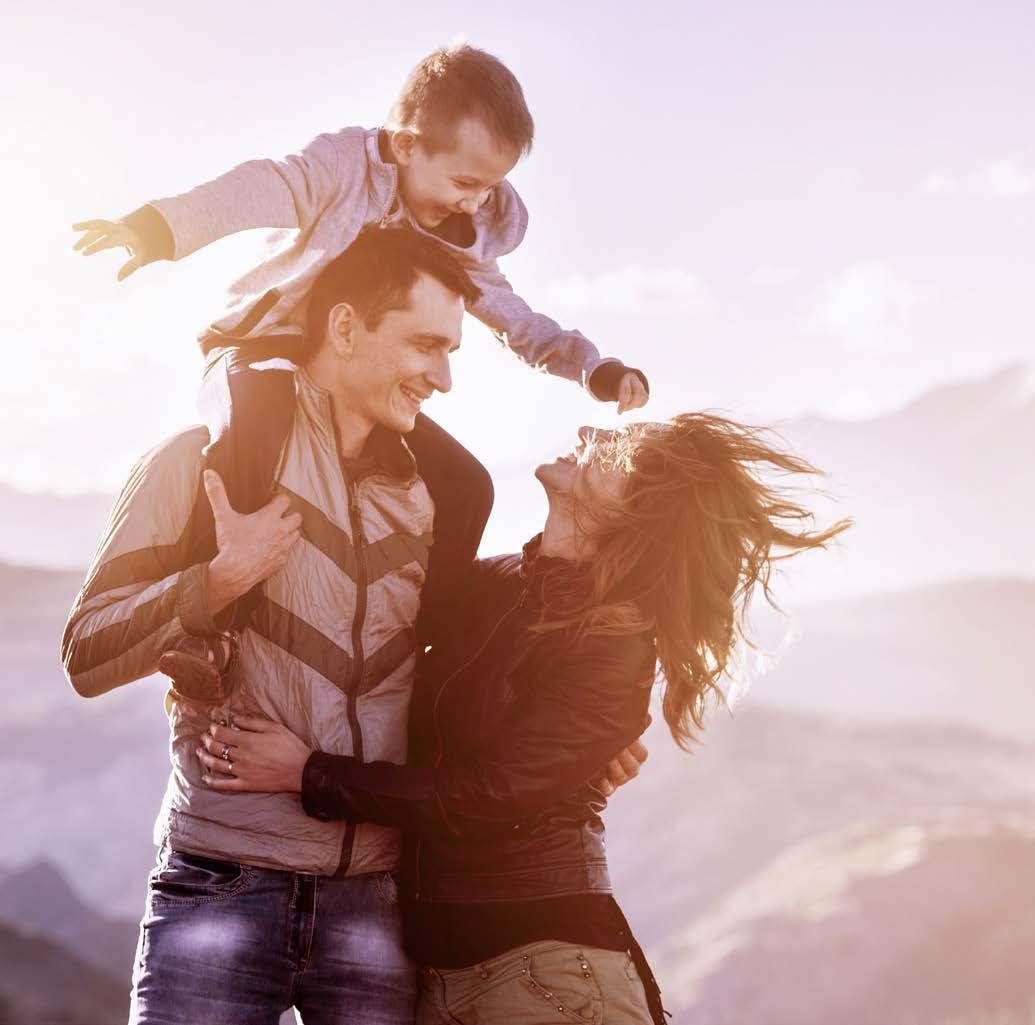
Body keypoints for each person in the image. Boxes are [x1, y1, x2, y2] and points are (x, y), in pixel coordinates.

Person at [61, 227, 636, 1025]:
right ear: (343, 328)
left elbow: (463, 660)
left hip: (378, 902)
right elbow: (86, 654)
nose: (442, 377)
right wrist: (221, 577)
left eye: (451, 351)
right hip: (221, 880)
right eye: (425, 345)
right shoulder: (202, 463)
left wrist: (579, 741)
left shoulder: (445, 497)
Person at [195, 413, 852, 1024]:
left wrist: (309, 773)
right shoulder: (496, 585)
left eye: (619, 449)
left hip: (547, 974)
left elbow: (493, 794)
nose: (589, 429)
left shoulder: (614, 644)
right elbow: (431, 468)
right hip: (437, 979)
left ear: (635, 508)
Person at [69, 41, 649, 698]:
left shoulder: (460, 237)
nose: (473, 204)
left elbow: (513, 316)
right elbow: (261, 187)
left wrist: (593, 368)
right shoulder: (343, 171)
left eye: (490, 188)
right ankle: (217, 631)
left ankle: (419, 643)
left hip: (354, 385)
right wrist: (158, 228)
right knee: (256, 424)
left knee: (468, 485)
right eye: (464, 183)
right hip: (264, 347)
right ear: (406, 145)